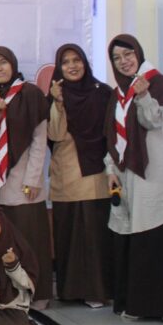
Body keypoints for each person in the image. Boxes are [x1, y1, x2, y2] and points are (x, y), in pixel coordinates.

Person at [104, 34, 163, 322]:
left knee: (157, 234)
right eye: (116, 58)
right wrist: (110, 171)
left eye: (128, 54)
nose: (123, 61)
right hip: (128, 175)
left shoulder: (156, 83)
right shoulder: (119, 93)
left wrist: (143, 96)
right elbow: (113, 138)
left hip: (156, 173)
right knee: (135, 236)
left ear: (138, 54)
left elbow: (153, 120)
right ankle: (136, 304)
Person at [0, 46, 52, 309]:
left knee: (31, 236)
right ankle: (9, 291)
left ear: (13, 64)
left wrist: (33, 179)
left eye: (3, 62)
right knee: (4, 238)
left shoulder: (31, 94)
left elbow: (40, 140)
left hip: (25, 178)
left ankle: (39, 292)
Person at [47, 43, 114, 308]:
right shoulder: (55, 95)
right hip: (65, 172)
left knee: (93, 235)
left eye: (77, 60)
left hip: (95, 172)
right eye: (65, 62)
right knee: (68, 234)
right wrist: (57, 102)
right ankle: (70, 291)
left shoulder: (102, 93)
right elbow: (54, 134)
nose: (72, 66)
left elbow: (111, 134)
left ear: (85, 62)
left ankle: (97, 290)